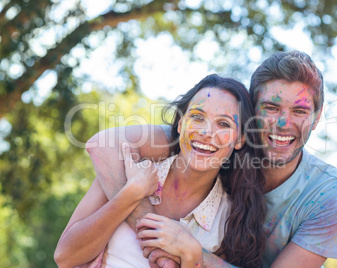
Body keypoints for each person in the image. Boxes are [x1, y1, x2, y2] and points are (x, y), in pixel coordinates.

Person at [84, 50, 337, 267]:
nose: (283, 123)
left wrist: (193, 254)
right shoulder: (213, 147)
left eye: (299, 111)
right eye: (271, 108)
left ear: (317, 118)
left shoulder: (331, 193)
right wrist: (153, 238)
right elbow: (103, 145)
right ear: (251, 112)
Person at [54, 74, 267, 267]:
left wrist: (192, 256)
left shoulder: (229, 219)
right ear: (181, 123)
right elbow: (65, 257)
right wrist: (130, 195)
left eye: (223, 123)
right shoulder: (128, 169)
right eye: (197, 117)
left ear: (240, 139)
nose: (206, 132)